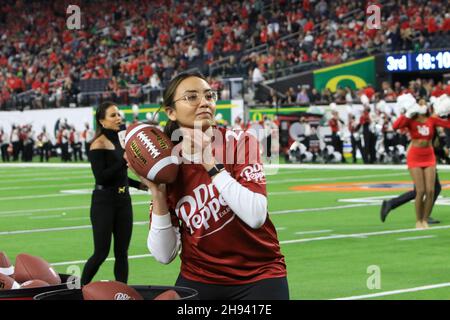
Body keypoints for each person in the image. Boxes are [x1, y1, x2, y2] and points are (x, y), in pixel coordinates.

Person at [129, 72, 288, 300]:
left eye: (209, 95)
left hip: (259, 275)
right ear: (170, 111)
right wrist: (158, 193)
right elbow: (164, 255)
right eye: (192, 97)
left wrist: (210, 163)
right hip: (199, 277)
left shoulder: (241, 142)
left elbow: (256, 215)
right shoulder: (167, 164)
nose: (204, 102)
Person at [81, 101, 147, 285]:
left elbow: (120, 176)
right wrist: (124, 160)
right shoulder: (98, 144)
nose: (118, 117)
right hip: (104, 202)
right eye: (113, 115)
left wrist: (140, 185)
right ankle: (79, 290)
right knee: (101, 253)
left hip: (123, 200)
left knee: (122, 253)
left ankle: (122, 293)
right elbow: (101, 177)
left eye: (118, 114)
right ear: (102, 121)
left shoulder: (120, 139)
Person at [391, 94, 450, 229]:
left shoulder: (431, 120)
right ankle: (418, 220)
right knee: (421, 191)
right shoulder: (410, 120)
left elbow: (447, 124)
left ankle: (425, 219)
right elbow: (395, 126)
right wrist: (407, 114)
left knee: (430, 190)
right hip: (415, 156)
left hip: (429, 156)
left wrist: (447, 113)